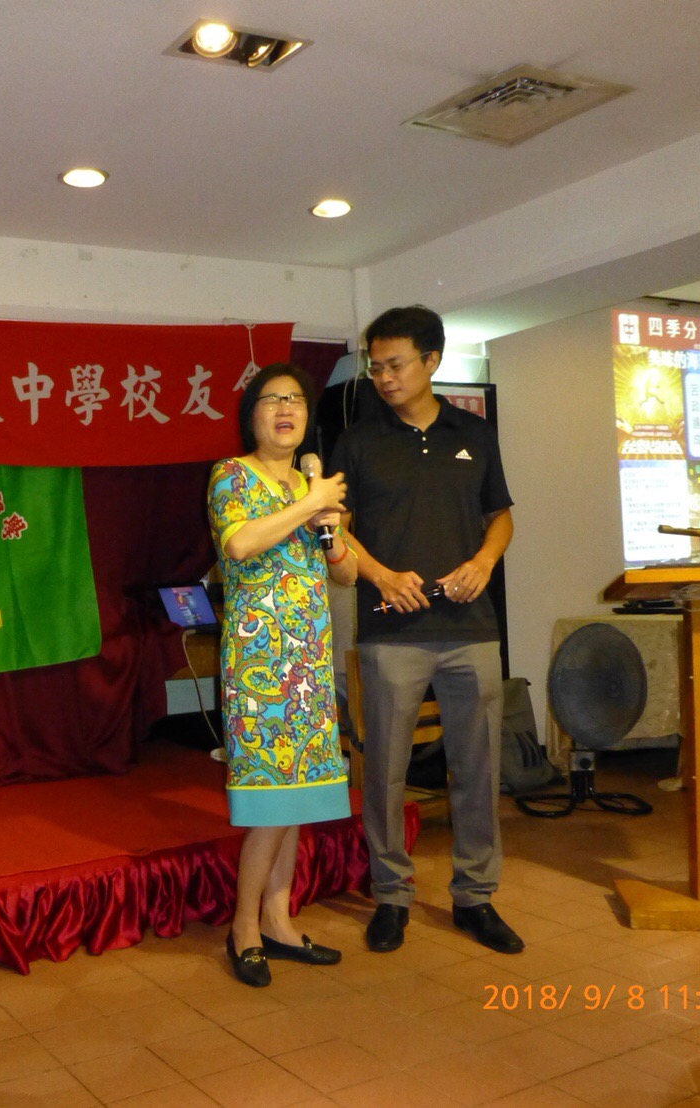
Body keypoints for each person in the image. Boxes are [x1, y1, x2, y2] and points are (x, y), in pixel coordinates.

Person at [330, 305, 524, 956]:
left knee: (478, 767)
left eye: (395, 364)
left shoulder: (475, 433)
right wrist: (381, 576)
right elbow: (336, 528)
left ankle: (476, 896)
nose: (383, 377)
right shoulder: (358, 441)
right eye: (375, 367)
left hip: (472, 628)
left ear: (431, 361)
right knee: (385, 769)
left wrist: (485, 561)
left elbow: (500, 516)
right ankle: (391, 895)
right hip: (391, 632)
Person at [207, 362, 357, 987]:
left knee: (297, 798)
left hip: (309, 662)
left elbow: (345, 573)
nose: (286, 408)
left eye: (295, 399)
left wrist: (331, 527)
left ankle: (278, 918)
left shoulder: (310, 484)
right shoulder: (232, 475)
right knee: (271, 798)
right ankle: (244, 926)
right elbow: (239, 545)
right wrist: (311, 504)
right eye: (272, 400)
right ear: (253, 416)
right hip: (261, 663)